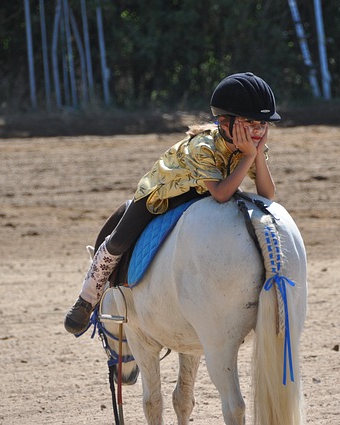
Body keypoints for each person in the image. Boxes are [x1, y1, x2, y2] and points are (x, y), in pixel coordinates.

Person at [64, 72, 281, 334]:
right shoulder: (204, 146)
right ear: (225, 122)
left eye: (263, 124)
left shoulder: (253, 144)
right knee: (119, 241)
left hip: (200, 193)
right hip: (161, 193)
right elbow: (221, 194)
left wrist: (255, 154)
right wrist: (248, 155)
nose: (258, 130)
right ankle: (87, 298)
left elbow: (267, 194)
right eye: (250, 122)